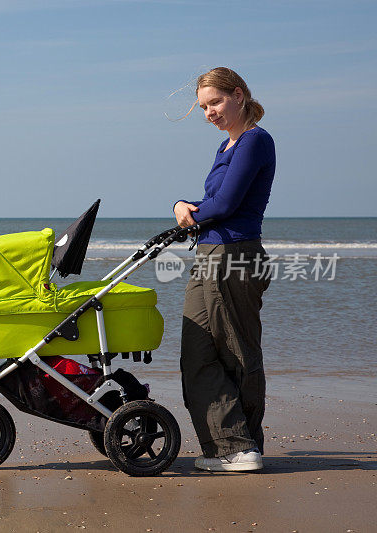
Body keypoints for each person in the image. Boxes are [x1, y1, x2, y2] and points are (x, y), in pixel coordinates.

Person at [173, 67, 275, 472]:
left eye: (214, 102)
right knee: (196, 352)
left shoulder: (255, 141)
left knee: (236, 351)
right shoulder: (226, 147)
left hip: (234, 256)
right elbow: (212, 203)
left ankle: (244, 446)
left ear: (238, 95)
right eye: (203, 107)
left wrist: (183, 208)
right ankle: (226, 445)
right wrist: (187, 209)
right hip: (210, 254)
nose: (209, 112)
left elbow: (226, 204)